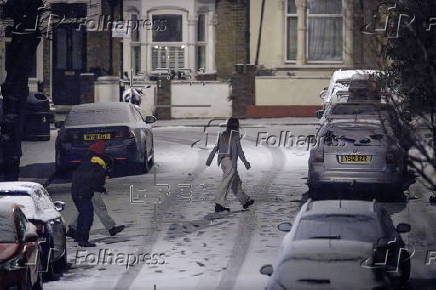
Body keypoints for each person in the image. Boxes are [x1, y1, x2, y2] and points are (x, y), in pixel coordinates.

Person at [67, 141, 125, 240]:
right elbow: (96, 178)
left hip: (82, 188)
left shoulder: (89, 158)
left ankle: (73, 229)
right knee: (99, 207)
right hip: (90, 189)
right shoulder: (97, 161)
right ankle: (111, 228)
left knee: (84, 210)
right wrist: (100, 188)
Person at [206, 117, 255, 212]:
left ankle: (245, 201)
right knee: (225, 184)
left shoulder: (223, 135)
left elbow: (216, 148)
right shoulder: (235, 136)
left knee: (236, 183)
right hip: (230, 163)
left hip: (223, 162)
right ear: (236, 126)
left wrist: (209, 159)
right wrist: (245, 162)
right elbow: (239, 151)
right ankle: (219, 204)